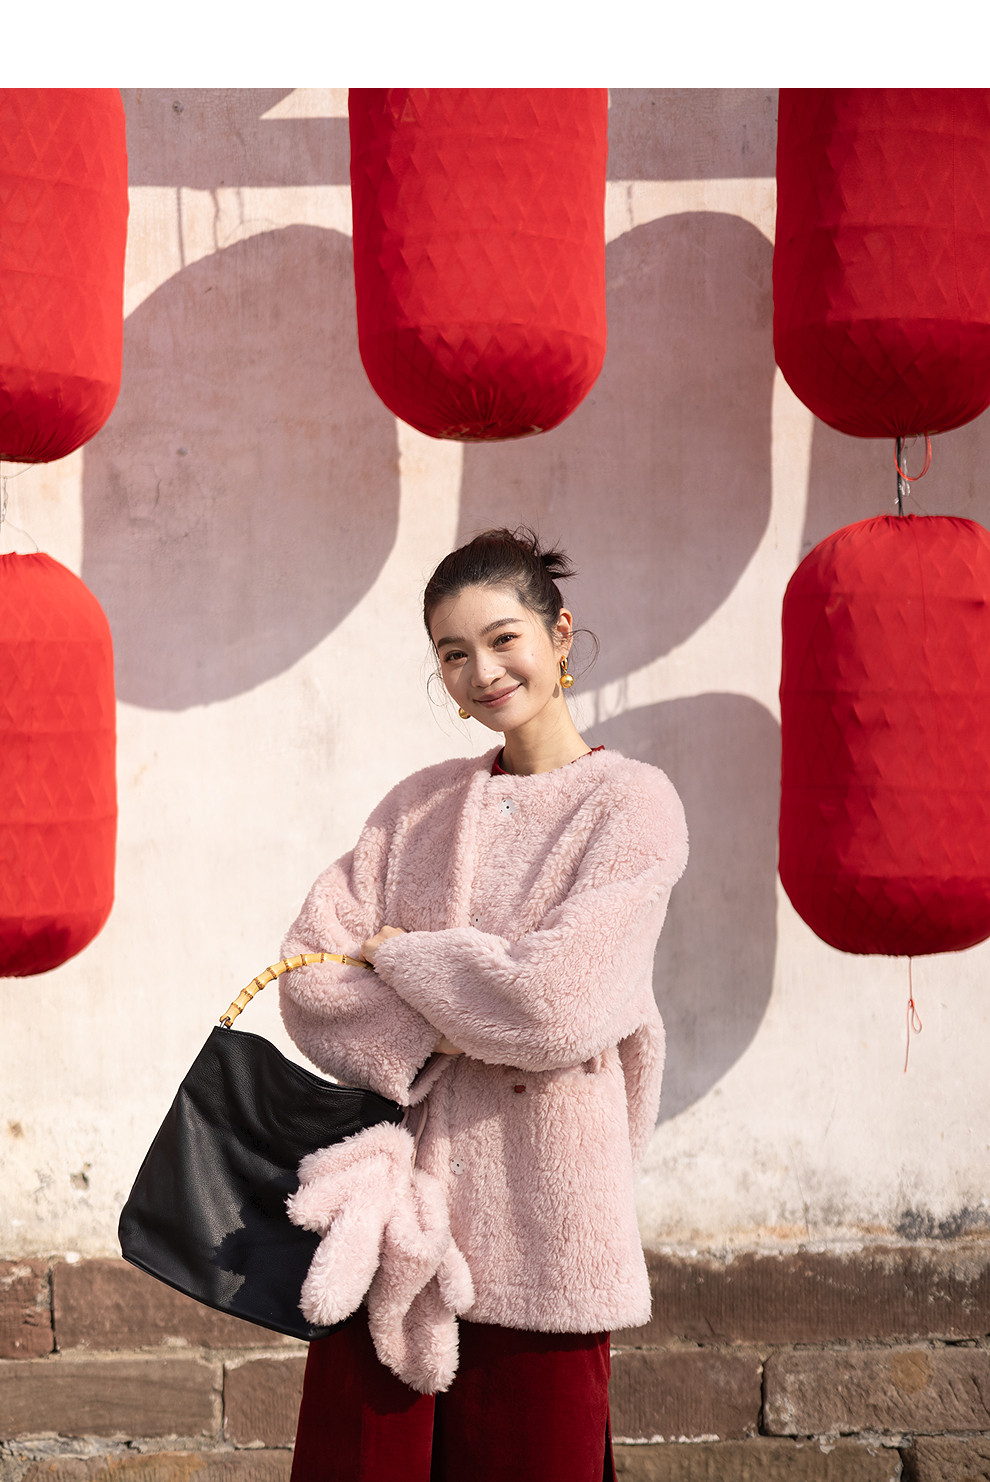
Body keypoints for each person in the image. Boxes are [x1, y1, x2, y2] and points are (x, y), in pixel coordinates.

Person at [278, 527, 688, 1482]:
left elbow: (556, 1006)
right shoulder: (415, 808)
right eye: (454, 654)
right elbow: (308, 973)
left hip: (548, 1231)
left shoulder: (632, 805)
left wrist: (400, 957)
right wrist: (462, 1018)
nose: (483, 671)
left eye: (504, 639)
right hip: (392, 1231)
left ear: (559, 634)